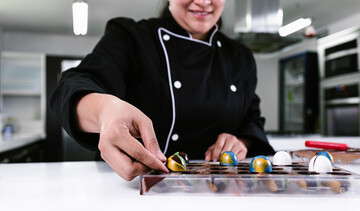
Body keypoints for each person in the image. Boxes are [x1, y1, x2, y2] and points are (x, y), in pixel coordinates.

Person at [50, 0, 275, 181]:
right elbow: (73, 84)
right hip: (133, 190)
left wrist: (241, 142)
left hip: (217, 189)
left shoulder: (240, 57)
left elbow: (252, 119)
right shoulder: (131, 37)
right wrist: (104, 111)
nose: (204, 2)